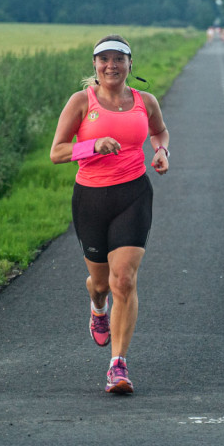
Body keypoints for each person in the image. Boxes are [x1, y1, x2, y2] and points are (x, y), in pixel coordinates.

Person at [50, 34, 170, 394]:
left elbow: (160, 132)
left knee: (124, 281)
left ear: (130, 65)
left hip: (133, 195)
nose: (111, 66)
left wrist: (162, 152)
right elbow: (56, 152)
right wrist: (92, 146)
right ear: (95, 65)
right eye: (104, 60)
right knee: (102, 284)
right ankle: (96, 303)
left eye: (118, 59)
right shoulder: (81, 102)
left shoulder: (144, 102)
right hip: (90, 200)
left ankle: (118, 365)